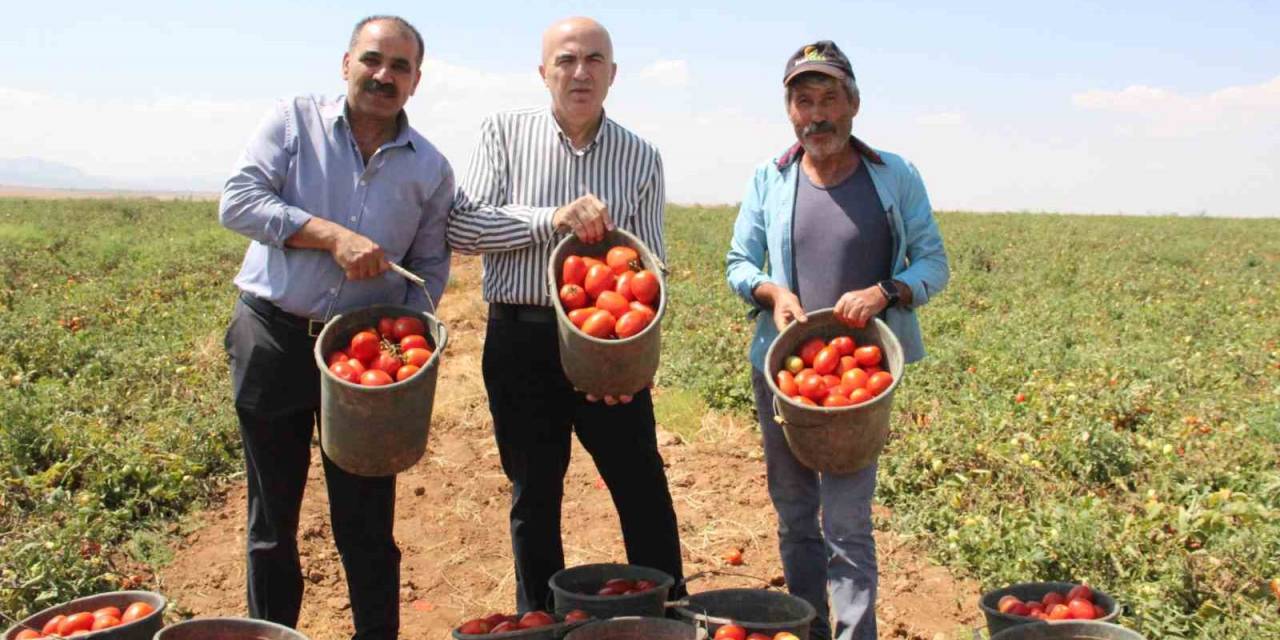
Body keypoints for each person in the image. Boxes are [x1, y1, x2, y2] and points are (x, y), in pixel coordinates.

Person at [219, 15, 453, 640]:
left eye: (399, 66)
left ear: (416, 81)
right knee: (272, 519)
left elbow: (429, 267)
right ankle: (271, 634)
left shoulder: (430, 167)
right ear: (346, 63)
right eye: (372, 60)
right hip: (272, 335)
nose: (383, 75)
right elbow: (238, 202)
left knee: (367, 520)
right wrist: (329, 235)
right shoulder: (291, 122)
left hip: (364, 355)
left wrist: (408, 341)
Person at [447, 16, 684, 613]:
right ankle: (540, 620)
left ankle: (667, 613)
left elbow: (650, 267)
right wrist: (549, 218)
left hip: (606, 340)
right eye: (566, 60)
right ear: (543, 71)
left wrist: (628, 359)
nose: (581, 72)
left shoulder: (640, 156)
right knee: (534, 493)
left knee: (641, 484)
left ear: (613, 73)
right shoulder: (503, 133)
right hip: (520, 340)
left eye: (594, 60)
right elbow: (464, 227)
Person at [724, 40, 950, 640]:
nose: (817, 114)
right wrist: (771, 293)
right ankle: (807, 628)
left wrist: (887, 291)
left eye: (829, 98)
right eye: (804, 101)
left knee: (847, 522)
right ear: (789, 111)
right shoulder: (770, 178)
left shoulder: (894, 176)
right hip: (784, 373)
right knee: (795, 512)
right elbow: (738, 263)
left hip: (861, 377)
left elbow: (934, 263)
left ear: (854, 103)